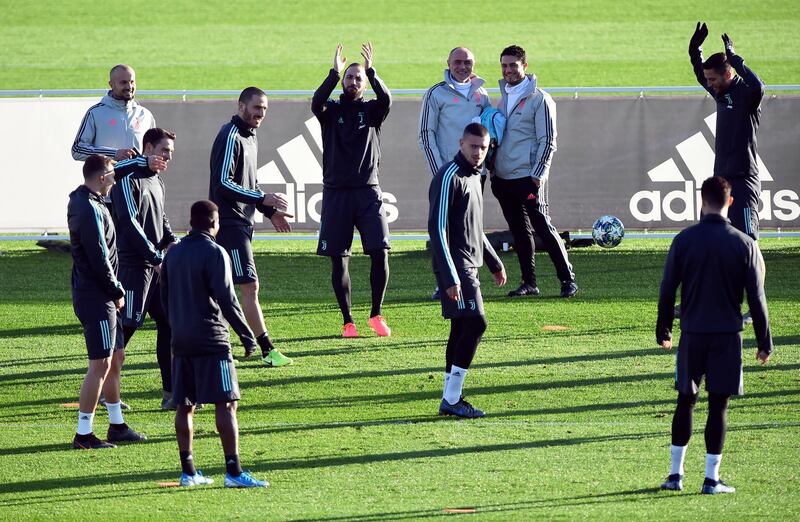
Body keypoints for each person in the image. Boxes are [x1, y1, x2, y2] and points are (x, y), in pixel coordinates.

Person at [656, 176, 772, 495]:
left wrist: (663, 329)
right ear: (730, 202)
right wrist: (765, 342)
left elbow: (668, 289)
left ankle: (675, 476)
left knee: (685, 401)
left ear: (700, 199)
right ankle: (711, 479)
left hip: (692, 333)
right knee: (718, 405)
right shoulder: (743, 243)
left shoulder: (684, 240)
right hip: (727, 337)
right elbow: (756, 297)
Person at [161, 200, 268, 488]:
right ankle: (233, 472)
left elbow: (164, 297)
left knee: (184, 405)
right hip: (212, 339)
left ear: (192, 221)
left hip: (180, 340)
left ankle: (188, 472)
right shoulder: (216, 252)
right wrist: (247, 335)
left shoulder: (173, 254)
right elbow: (227, 299)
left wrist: (178, 326)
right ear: (213, 223)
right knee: (227, 402)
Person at [311, 43, 393, 338]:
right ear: (343, 82)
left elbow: (387, 99)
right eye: (350, 77)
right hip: (336, 194)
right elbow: (315, 102)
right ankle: (348, 322)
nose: (354, 82)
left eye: (358, 78)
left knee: (380, 252)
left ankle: (376, 314)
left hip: (368, 192)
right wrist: (333, 72)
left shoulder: (371, 111)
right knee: (339, 258)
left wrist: (372, 71)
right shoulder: (331, 111)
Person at [208, 87, 294, 367]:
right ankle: (266, 349)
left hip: (242, 222)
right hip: (230, 223)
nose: (260, 114)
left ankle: (227, 342)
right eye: (256, 108)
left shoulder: (249, 136)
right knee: (248, 286)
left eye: (265, 109)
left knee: (225, 287)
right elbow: (223, 182)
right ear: (241, 106)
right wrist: (262, 198)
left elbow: (248, 184)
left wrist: (269, 211)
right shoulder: (231, 136)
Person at [428, 123, 507, 418]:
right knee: (476, 324)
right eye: (473, 146)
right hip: (456, 265)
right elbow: (437, 229)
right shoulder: (449, 176)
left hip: (469, 264)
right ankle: (451, 398)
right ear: (461, 143)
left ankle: (450, 397)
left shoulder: (476, 176)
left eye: (483, 148)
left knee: (461, 327)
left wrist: (494, 261)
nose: (478, 153)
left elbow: (474, 227)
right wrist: (448, 275)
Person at [68, 154, 146, 449]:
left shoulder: (92, 200)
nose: (115, 179)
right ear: (102, 177)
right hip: (96, 296)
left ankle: (117, 425)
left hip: (102, 293)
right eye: (112, 175)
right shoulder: (88, 208)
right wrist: (116, 290)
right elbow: (98, 256)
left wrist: (143, 160)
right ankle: (83, 434)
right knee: (100, 363)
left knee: (115, 359)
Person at [490, 45, 577, 299]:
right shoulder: (503, 97)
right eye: (504, 66)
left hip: (528, 177)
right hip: (503, 177)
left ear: (524, 66)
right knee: (519, 231)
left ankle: (567, 279)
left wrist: (538, 174)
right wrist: (494, 167)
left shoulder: (540, 98)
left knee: (543, 227)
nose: (508, 70)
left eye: (513, 65)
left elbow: (548, 140)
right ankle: (529, 283)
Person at [110, 128, 178, 410]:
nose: (168, 157)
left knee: (168, 325)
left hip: (155, 265)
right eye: (164, 151)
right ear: (148, 148)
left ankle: (171, 393)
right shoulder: (127, 180)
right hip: (134, 267)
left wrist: (172, 241)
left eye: (171, 153)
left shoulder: (157, 181)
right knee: (126, 327)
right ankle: (105, 390)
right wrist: (154, 256)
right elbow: (129, 224)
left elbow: (159, 217)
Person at [419, 47, 491, 301]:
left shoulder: (482, 93)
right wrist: (439, 171)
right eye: (457, 62)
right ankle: (444, 282)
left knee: (470, 227)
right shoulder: (436, 93)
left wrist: (483, 166)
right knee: (445, 229)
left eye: (468, 62)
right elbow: (426, 135)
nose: (462, 66)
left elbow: (487, 132)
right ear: (448, 63)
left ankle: (471, 278)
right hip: (448, 175)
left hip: (474, 174)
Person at [689, 23, 765, 241]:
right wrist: (694, 49)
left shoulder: (747, 94)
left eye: (713, 79)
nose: (709, 84)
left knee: (748, 239)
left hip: (743, 180)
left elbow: (759, 86)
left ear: (728, 74)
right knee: (709, 236)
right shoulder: (720, 92)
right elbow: (699, 73)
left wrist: (734, 58)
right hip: (720, 179)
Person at [72, 64, 156, 161]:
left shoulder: (145, 115)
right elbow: (77, 150)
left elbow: (153, 151)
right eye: (123, 82)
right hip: (108, 176)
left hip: (137, 176)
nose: (129, 86)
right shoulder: (95, 113)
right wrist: (113, 154)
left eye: (132, 82)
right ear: (111, 84)